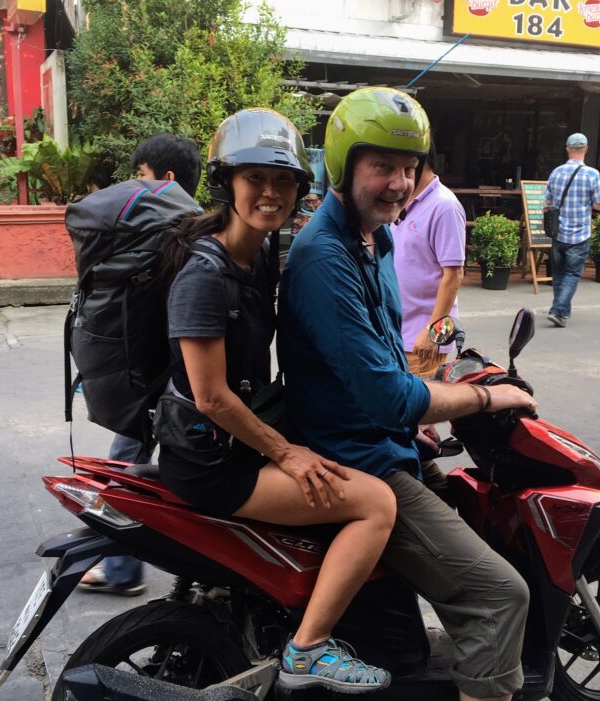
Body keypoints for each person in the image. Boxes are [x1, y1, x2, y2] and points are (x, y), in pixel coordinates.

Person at [279, 87, 536, 701]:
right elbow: (388, 395)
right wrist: (483, 399)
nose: (399, 182)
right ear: (344, 166)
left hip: (383, 441)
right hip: (360, 460)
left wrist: (418, 417)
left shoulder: (376, 239)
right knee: (502, 596)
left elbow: (386, 352)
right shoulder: (325, 258)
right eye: (382, 167)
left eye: (408, 167)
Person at [157, 108, 395, 693]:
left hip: (235, 441)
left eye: (283, 179)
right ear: (227, 183)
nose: (270, 192)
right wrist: (286, 453)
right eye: (255, 178)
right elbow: (211, 396)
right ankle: (308, 650)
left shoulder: (261, 253)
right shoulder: (205, 274)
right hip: (213, 463)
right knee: (376, 505)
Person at [79, 133, 203, 596]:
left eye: (142, 176)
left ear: (167, 180)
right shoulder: (192, 229)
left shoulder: (169, 232)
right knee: (134, 462)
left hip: (156, 378)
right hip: (167, 376)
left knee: (127, 467)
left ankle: (123, 568)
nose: (136, 185)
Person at [392, 137, 465, 380]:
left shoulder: (444, 206)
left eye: (402, 166)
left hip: (423, 338)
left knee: (420, 411)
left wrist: (432, 333)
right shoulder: (403, 200)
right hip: (398, 332)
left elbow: (454, 275)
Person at [544, 133, 600, 328]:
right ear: (586, 149)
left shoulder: (556, 172)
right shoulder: (592, 174)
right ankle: (558, 310)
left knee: (559, 274)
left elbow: (547, 204)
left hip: (558, 232)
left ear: (567, 149)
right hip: (579, 234)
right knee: (572, 274)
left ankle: (562, 312)